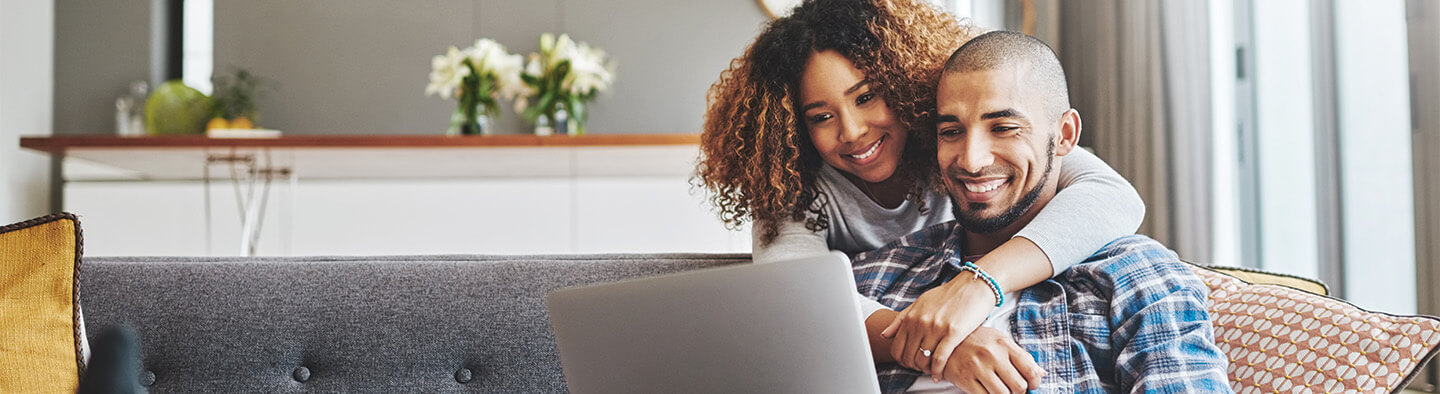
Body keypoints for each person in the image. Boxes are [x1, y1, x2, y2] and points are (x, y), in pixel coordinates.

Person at [695, 0, 1145, 380]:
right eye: (821, 116)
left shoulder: (959, 144)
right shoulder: (792, 187)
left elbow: (1114, 196)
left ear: (903, 82)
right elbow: (791, 299)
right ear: (793, 126)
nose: (851, 131)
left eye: (866, 96)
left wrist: (980, 283)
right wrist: (941, 348)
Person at [852, 30, 1230, 393]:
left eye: (1003, 127)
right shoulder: (878, 276)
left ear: (1065, 135)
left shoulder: (1137, 278)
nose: (971, 159)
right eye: (951, 132)